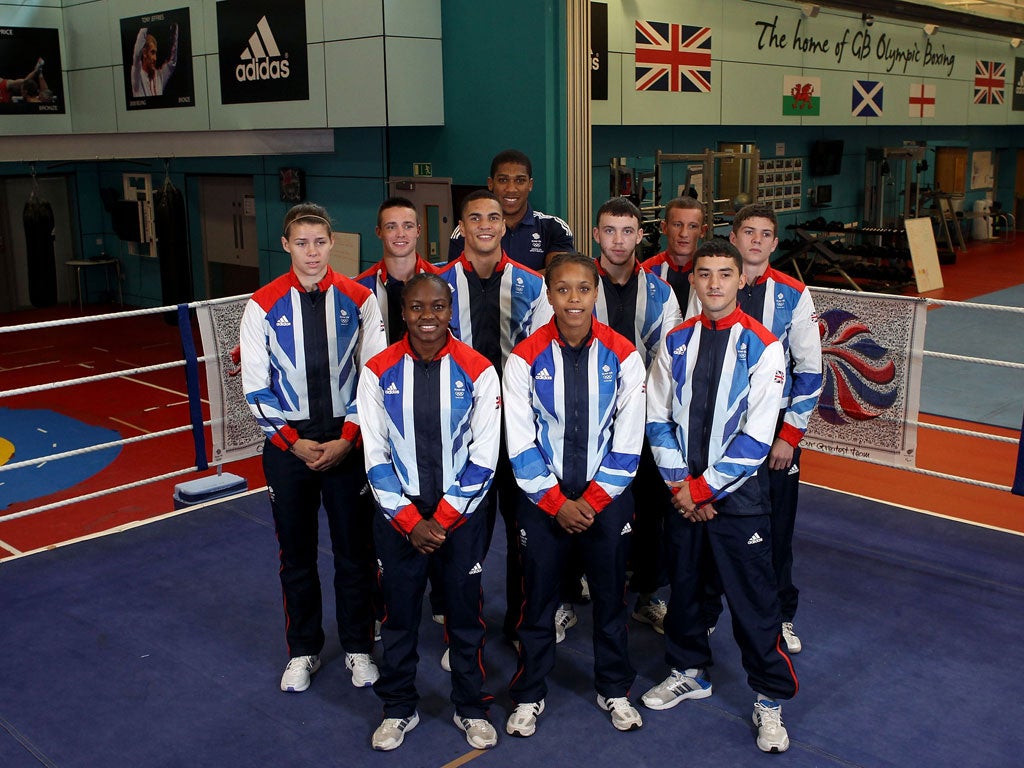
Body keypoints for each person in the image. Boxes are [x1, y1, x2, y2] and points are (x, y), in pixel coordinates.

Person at [643, 239, 797, 754]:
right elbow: (657, 418)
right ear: (694, 280)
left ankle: (769, 698)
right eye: (704, 274)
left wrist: (702, 489)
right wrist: (680, 487)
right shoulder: (676, 341)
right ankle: (689, 670)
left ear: (739, 279)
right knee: (685, 589)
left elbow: (756, 438)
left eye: (724, 274)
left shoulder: (764, 345)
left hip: (739, 499)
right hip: (683, 492)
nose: (713, 283)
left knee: (753, 600)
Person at [240, 203, 386, 694]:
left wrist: (347, 438)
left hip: (347, 441)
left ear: (332, 243)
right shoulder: (261, 304)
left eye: (319, 242)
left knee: (355, 553)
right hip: (289, 446)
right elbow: (256, 389)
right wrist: (293, 443)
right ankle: (303, 649)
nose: (311, 252)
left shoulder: (360, 298)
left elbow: (373, 378)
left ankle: (358, 646)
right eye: (301, 243)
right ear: (286, 245)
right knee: (296, 555)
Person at [503, 251, 646, 737]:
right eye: (563, 289)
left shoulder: (625, 355)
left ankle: (614, 689)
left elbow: (629, 440)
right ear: (549, 296)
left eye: (583, 289)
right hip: (545, 502)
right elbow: (519, 442)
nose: (573, 299)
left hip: (606, 501)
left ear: (596, 293)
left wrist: (593, 501)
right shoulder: (523, 358)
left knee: (611, 602)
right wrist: (557, 503)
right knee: (537, 603)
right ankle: (529, 694)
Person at [358, 273, 502, 752]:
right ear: (403, 311)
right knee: (399, 619)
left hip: (459, 516)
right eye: (417, 308)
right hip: (399, 518)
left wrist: (440, 519)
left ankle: (470, 707)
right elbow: (374, 455)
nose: (427, 317)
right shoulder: (377, 370)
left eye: (437, 307)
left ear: (450, 311)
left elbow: (486, 454)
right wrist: (408, 519)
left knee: (464, 616)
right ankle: (398, 708)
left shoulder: (479, 369)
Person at [556, 196, 679, 641]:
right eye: (610, 230)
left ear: (640, 236)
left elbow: (670, 362)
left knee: (648, 513)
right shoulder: (576, 284)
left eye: (628, 231)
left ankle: (647, 596)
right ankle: (566, 595)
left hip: (643, 423)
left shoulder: (662, 293)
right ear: (595, 234)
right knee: (574, 506)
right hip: (581, 423)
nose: (619, 240)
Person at [437, 189, 553, 648]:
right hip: (461, 434)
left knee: (526, 537)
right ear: (461, 227)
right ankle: (464, 633)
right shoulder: (438, 284)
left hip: (520, 433)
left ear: (504, 225)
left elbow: (544, 357)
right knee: (465, 538)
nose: (485, 225)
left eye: (493, 217)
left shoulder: (532, 284)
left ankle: (522, 628)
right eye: (474, 218)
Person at [723, 203, 823, 654]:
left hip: (776, 436)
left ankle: (781, 615)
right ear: (734, 238)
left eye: (765, 233)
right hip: (719, 432)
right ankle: (706, 613)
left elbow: (811, 370)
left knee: (777, 529)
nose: (757, 240)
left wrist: (790, 435)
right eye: (749, 231)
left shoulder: (793, 294)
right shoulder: (712, 282)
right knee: (712, 525)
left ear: (775, 243)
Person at [447, 149, 574, 270]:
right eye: (503, 180)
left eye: (520, 180)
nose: (511, 189)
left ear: (530, 185)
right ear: (491, 183)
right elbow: (458, 279)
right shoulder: (469, 228)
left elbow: (559, 276)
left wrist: (507, 281)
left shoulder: (554, 227)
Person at [356, 197, 438, 344]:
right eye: (391, 227)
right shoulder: (359, 288)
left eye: (408, 226)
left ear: (418, 231)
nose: (401, 234)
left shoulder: (443, 280)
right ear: (379, 232)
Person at [641, 196, 707, 309]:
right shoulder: (646, 272)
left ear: (702, 231)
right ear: (665, 227)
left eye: (692, 226)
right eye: (677, 225)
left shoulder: (713, 274)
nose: (684, 233)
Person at [131, 24, 178, 97]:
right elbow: (137, 54)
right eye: (152, 52)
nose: (155, 58)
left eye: (155, 53)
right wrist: (146, 22)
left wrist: (175, 27)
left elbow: (172, 62)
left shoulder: (159, 76)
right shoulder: (137, 76)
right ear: (144, 53)